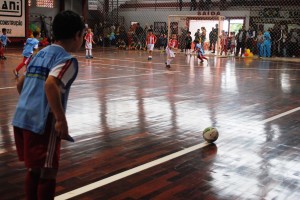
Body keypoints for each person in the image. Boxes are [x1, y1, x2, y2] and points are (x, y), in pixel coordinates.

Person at [12, 10, 85, 200]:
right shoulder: (67, 60)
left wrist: (31, 102)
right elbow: (51, 84)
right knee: (48, 172)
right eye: (82, 36)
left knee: (34, 170)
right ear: (77, 35)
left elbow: (20, 83)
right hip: (42, 123)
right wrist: (60, 120)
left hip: (21, 118)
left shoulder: (39, 54)